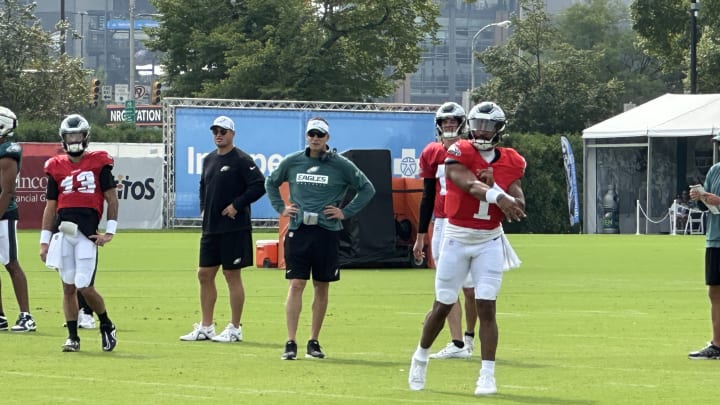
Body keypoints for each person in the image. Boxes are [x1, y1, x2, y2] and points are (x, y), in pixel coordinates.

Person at [408, 102, 526, 395]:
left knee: (487, 304)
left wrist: (504, 193)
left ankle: (487, 374)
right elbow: (469, 184)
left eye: (489, 126)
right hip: (457, 236)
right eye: (479, 125)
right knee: (444, 302)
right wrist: (497, 194)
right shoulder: (459, 150)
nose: (483, 130)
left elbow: (519, 203)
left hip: (490, 239)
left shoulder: (511, 159)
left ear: (499, 129)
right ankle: (420, 356)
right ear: (470, 125)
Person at [265, 117, 375, 360]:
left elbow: (367, 188)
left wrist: (344, 212)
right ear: (307, 136)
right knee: (296, 284)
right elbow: (271, 182)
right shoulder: (293, 161)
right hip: (299, 229)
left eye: (320, 135)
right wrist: (282, 208)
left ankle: (313, 341)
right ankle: (290, 341)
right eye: (312, 134)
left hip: (327, 231)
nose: (315, 138)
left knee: (321, 286)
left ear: (327, 138)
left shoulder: (340, 164)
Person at [179, 116, 266, 343]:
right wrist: (202, 210)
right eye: (216, 131)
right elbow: (203, 186)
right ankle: (206, 326)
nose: (219, 134)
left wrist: (237, 205)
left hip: (234, 228)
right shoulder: (208, 159)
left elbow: (259, 185)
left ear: (232, 134)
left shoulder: (241, 159)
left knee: (231, 275)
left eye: (223, 131)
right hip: (211, 229)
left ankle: (235, 328)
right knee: (204, 274)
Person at [39, 114, 118, 352]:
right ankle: (73, 337)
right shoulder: (55, 166)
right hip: (63, 233)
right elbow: (50, 206)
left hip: (87, 233)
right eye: (70, 136)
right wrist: (44, 241)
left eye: (77, 135)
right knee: (67, 286)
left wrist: (110, 231)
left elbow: (112, 199)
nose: (74, 140)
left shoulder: (99, 162)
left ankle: (106, 323)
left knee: (84, 286)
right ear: (63, 139)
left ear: (86, 137)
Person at [412, 102, 477, 359]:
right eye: (444, 122)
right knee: (446, 285)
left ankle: (470, 337)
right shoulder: (431, 152)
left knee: (471, 288)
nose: (449, 126)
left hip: (468, 221)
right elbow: (427, 195)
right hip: (442, 222)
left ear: (462, 123)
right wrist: (420, 235)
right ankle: (457, 342)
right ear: (438, 125)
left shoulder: (472, 151)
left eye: (453, 121)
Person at [0, 107, 36, 332]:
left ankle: (26, 316)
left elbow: (7, 191)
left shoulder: (7, 152)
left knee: (11, 263)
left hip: (4, 214)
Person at [688, 136, 720, 359]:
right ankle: (717, 344)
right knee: (715, 291)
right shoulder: (715, 170)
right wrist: (699, 197)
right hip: (715, 238)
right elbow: (709, 204)